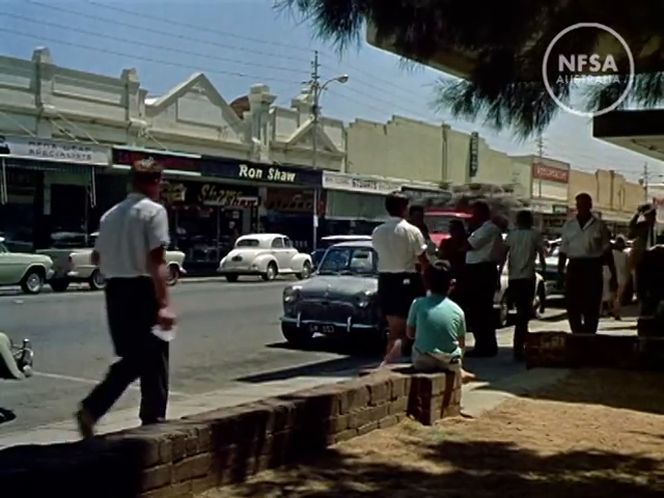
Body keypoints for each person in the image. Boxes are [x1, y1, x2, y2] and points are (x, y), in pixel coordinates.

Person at [76, 158, 176, 438]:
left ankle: (98, 410)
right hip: (142, 290)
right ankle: (148, 421)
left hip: (115, 292)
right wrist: (165, 303)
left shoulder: (110, 215)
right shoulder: (154, 212)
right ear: (155, 183)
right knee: (153, 358)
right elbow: (156, 260)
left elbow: (97, 256)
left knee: (136, 356)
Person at [373, 192, 430, 366]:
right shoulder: (412, 231)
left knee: (394, 326)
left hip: (385, 280)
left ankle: (391, 359)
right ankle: (392, 361)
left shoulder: (377, 231)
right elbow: (423, 259)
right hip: (407, 279)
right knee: (405, 328)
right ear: (404, 209)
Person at [406, 262, 475, 381]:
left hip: (423, 360)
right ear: (451, 284)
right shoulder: (457, 310)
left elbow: (410, 334)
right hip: (450, 360)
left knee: (416, 350)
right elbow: (462, 343)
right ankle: (459, 370)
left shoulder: (418, 304)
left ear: (426, 283)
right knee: (455, 357)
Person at [559, 193, 616, 334]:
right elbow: (563, 251)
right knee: (573, 306)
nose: (582, 207)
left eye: (585, 204)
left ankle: (589, 336)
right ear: (576, 206)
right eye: (579, 204)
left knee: (592, 305)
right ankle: (577, 335)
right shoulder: (569, 226)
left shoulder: (599, 226)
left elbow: (607, 252)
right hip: (575, 267)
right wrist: (560, 273)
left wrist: (614, 274)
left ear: (590, 206)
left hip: (593, 268)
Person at [502, 210, 546, 360]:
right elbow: (541, 253)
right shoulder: (535, 235)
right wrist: (544, 267)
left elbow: (504, 254)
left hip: (514, 277)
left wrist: (499, 272)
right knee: (524, 313)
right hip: (527, 277)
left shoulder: (512, 235)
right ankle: (520, 346)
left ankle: (519, 345)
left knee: (519, 312)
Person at [464, 201, 504, 357]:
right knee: (477, 310)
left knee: (481, 310)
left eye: (473, 213)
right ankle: (483, 343)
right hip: (477, 270)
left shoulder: (488, 229)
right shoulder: (482, 229)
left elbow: (468, 245)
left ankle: (485, 345)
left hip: (482, 270)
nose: (471, 217)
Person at [628, 204, 657, 302]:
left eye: (650, 215)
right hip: (642, 255)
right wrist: (637, 214)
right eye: (646, 215)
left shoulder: (658, 227)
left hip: (655, 256)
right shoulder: (641, 226)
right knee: (639, 276)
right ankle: (639, 295)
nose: (648, 218)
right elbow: (630, 231)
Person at [438, 219, 468, 308]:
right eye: (451, 229)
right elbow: (441, 255)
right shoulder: (446, 242)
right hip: (451, 271)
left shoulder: (466, 242)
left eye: (455, 229)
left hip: (465, 273)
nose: (452, 232)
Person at [603, 235, 629, 320]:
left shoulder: (612, 253)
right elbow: (626, 267)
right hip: (621, 278)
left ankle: (613, 310)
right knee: (617, 297)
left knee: (612, 295)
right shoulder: (624, 255)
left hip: (613, 276)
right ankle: (615, 311)